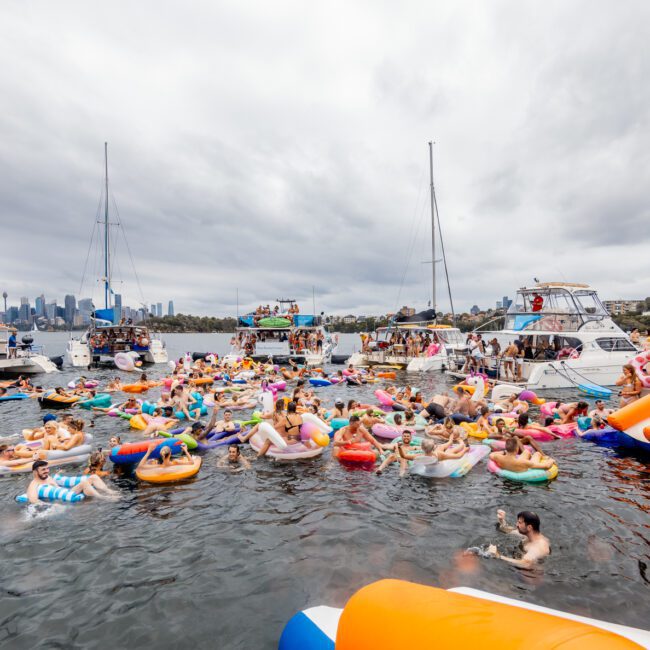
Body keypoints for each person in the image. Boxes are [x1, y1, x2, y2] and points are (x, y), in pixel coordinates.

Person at [26, 460, 118, 503]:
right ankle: (103, 498)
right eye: (43, 470)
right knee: (84, 483)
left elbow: (56, 482)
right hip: (67, 495)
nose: (47, 471)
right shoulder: (34, 485)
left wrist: (59, 473)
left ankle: (110, 492)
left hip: (65, 491)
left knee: (93, 476)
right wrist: (54, 506)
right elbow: (33, 500)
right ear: (35, 472)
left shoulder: (47, 477)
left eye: (47, 469)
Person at [489, 437, 556, 473]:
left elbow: (491, 455)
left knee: (526, 452)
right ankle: (536, 455)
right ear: (516, 449)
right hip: (523, 466)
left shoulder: (498, 457)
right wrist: (551, 460)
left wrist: (503, 452)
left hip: (510, 463)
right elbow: (546, 466)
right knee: (537, 454)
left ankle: (530, 455)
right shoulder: (524, 463)